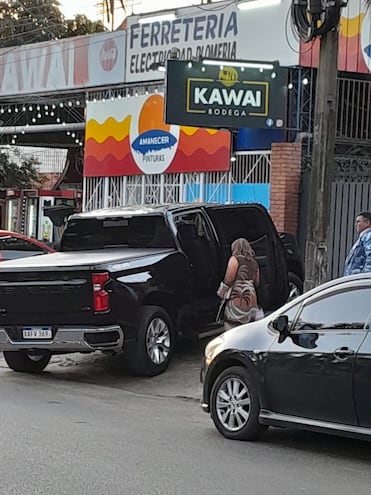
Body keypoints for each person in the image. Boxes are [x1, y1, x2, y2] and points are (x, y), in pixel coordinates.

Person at [217, 238, 261, 330]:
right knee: (248, 328)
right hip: (251, 298)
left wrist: (221, 292)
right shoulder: (254, 263)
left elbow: (229, 279)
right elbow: (257, 282)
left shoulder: (234, 259)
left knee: (232, 325)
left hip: (238, 295)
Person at [344, 211, 371, 276]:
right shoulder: (363, 237)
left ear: (367, 223)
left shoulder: (368, 236)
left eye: (358, 222)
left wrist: (364, 277)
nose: (355, 225)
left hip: (360, 281)